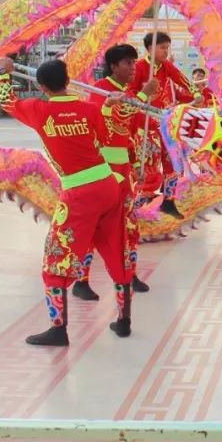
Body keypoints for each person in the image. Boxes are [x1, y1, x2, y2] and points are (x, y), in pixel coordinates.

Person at [0, 58, 133, 346]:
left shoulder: (39, 110)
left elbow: (7, 101)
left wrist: (4, 73)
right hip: (108, 186)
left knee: (56, 259)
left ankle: (58, 329)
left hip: (79, 193)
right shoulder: (89, 109)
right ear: (68, 81)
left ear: (42, 87)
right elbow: (106, 137)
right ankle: (123, 321)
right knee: (115, 248)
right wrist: (109, 107)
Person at [70, 44, 152, 302]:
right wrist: (141, 98)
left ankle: (130, 274)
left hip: (123, 169)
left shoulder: (126, 92)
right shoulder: (99, 90)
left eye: (134, 62)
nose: (132, 68)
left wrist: (138, 162)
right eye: (127, 62)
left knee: (129, 223)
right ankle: (81, 281)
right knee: (95, 224)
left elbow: (133, 129)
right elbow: (110, 120)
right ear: (113, 65)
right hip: (102, 169)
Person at [130, 32, 200, 219]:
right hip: (146, 127)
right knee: (149, 170)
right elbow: (130, 96)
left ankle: (168, 201)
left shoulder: (166, 66)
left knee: (173, 164)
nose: (165, 51)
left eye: (167, 48)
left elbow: (182, 79)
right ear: (150, 48)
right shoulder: (138, 68)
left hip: (165, 124)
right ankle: (136, 209)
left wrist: (195, 92)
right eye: (162, 48)